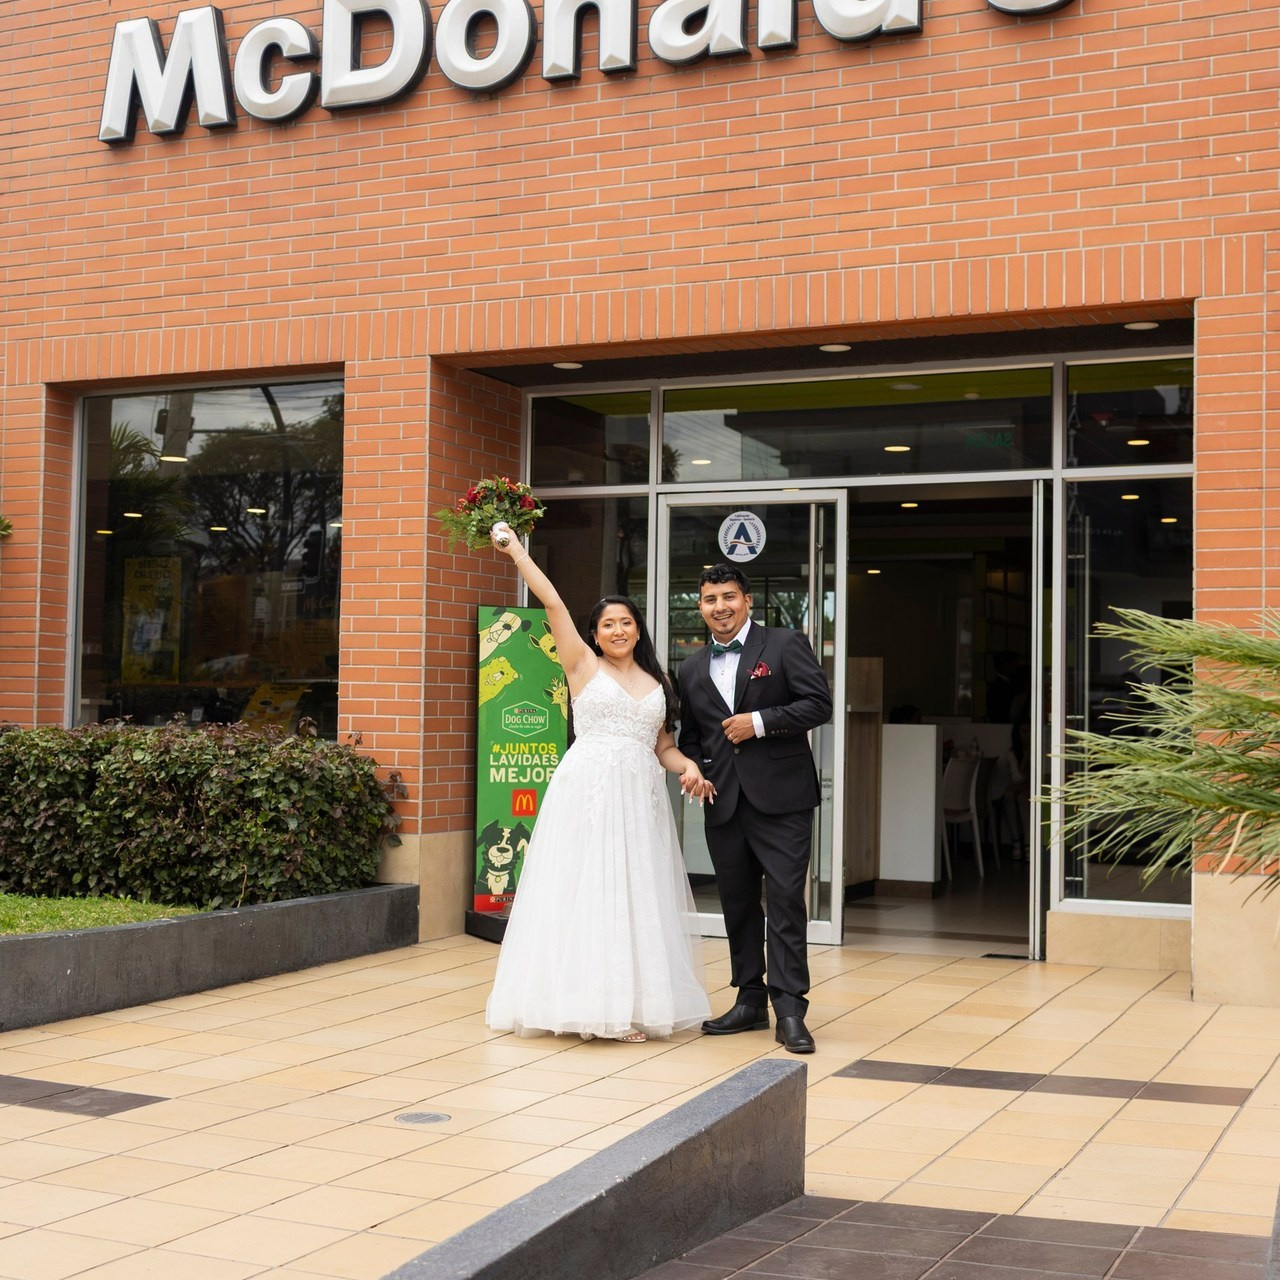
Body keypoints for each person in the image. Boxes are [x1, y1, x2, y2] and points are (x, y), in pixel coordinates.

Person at [484, 522, 713, 1042]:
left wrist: (689, 767)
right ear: (594, 633)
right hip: (587, 791)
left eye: (626, 623)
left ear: (638, 630)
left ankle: (626, 1003)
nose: (617, 631)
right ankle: (585, 1006)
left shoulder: (660, 682)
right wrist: (517, 551)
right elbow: (555, 605)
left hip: (639, 799)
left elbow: (663, 747)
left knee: (634, 896)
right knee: (584, 889)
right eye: (607, 624)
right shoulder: (580, 665)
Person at [677, 563, 833, 1055]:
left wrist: (760, 722)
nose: (719, 606)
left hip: (782, 799)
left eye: (728, 596)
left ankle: (790, 1008)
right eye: (709, 599)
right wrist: (697, 768)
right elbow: (695, 737)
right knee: (738, 904)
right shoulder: (691, 666)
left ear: (746, 600)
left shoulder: (784, 644)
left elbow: (818, 704)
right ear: (699, 606)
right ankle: (749, 999)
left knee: (786, 900)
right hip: (723, 802)